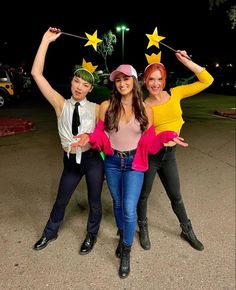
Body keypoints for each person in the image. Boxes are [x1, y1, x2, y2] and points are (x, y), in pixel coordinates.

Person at [72, 64, 188, 278]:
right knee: (117, 203)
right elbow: (100, 135)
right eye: (118, 80)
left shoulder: (146, 109)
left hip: (135, 163)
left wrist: (165, 137)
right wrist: (89, 138)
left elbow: (151, 143)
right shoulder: (106, 106)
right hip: (113, 162)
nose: (122, 83)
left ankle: (126, 249)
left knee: (128, 207)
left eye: (126, 79)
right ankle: (125, 233)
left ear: (134, 82)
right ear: (115, 84)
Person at [31, 27, 104, 255]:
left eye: (84, 84)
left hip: (93, 161)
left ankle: (91, 236)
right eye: (76, 81)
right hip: (71, 162)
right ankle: (50, 232)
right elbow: (37, 74)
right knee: (61, 200)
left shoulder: (96, 108)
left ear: (90, 88)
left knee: (94, 201)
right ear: (71, 82)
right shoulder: (60, 104)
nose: (79, 87)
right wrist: (45, 41)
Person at [136, 50, 214, 251]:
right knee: (143, 195)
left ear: (164, 80)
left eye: (159, 79)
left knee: (176, 195)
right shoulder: (144, 106)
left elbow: (207, 80)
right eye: (151, 79)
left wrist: (187, 61)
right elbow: (146, 136)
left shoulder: (176, 93)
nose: (155, 83)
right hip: (151, 156)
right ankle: (142, 227)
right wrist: (162, 138)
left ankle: (187, 229)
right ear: (145, 81)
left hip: (169, 157)